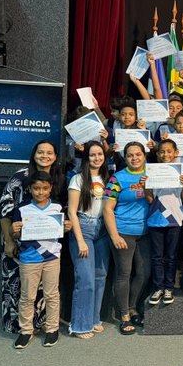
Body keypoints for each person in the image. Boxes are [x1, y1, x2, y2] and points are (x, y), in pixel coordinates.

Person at [0, 139, 66, 333]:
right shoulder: (19, 177)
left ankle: (45, 325)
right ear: (34, 154)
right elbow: (4, 211)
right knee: (19, 287)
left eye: (49, 153)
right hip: (19, 243)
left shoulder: (59, 178)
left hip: (48, 246)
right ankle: (20, 326)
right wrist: (10, 241)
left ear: (55, 157)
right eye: (40, 152)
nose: (44, 156)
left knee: (48, 290)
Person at [10, 171, 72, 349]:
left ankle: (52, 329)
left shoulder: (58, 208)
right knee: (27, 296)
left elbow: (61, 231)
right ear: (30, 189)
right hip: (29, 258)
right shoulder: (22, 208)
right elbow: (15, 233)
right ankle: (26, 331)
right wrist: (14, 230)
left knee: (52, 295)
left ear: (51, 188)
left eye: (45, 188)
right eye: (36, 188)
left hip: (52, 257)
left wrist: (67, 228)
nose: (40, 192)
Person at [103, 142, 151, 335]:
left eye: (138, 154)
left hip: (147, 232)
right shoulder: (117, 178)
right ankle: (124, 315)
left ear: (144, 155)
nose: (135, 158)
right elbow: (107, 208)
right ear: (125, 157)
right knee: (124, 273)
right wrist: (114, 235)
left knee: (144, 273)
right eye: (130, 155)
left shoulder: (153, 174)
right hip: (123, 231)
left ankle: (132, 307)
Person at [67, 141, 111, 339]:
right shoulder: (77, 179)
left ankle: (94, 319)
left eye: (100, 154)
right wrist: (80, 240)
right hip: (83, 229)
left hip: (102, 229)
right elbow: (71, 212)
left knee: (100, 276)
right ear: (86, 158)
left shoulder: (108, 178)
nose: (96, 158)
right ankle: (80, 325)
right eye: (92, 155)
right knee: (85, 280)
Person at [144, 139, 183, 306]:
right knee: (156, 256)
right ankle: (158, 287)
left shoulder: (181, 171)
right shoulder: (152, 171)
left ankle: (169, 287)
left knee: (170, 255)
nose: (165, 154)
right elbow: (149, 198)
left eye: (169, 151)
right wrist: (146, 186)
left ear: (176, 152)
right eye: (162, 151)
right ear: (157, 153)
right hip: (156, 218)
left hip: (175, 218)